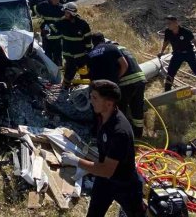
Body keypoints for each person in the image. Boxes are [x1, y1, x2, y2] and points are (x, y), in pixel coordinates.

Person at [61, 80, 144, 217]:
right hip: (105, 182)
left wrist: (76, 161)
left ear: (109, 103)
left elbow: (106, 170)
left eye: (94, 98)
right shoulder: (103, 116)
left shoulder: (119, 131)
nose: (90, 101)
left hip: (124, 184)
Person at [87, 32, 146, 137]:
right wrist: (115, 79)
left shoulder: (92, 53)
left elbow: (89, 72)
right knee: (137, 108)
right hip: (140, 79)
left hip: (124, 82)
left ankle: (113, 133)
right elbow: (125, 65)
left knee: (119, 109)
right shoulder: (116, 48)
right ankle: (137, 134)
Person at [158, 15, 196, 96]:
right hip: (177, 54)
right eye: (167, 23)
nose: (168, 25)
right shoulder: (168, 32)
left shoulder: (185, 31)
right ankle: (167, 92)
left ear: (176, 23)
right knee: (170, 72)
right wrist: (161, 52)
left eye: (169, 23)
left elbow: (195, 42)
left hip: (188, 53)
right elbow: (166, 42)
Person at [55, 2, 92, 89]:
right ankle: (66, 88)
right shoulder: (62, 22)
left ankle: (86, 89)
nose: (65, 14)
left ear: (72, 13)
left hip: (80, 55)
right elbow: (54, 28)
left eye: (67, 12)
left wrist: (88, 51)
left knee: (82, 73)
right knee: (69, 72)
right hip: (68, 55)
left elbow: (88, 39)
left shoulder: (83, 24)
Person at [35, 0, 64, 66]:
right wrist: (41, 25)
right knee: (47, 54)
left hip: (57, 37)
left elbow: (63, 21)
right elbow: (37, 16)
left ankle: (59, 70)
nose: (56, 1)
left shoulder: (61, 8)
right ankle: (49, 70)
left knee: (57, 55)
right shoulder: (43, 5)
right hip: (46, 36)